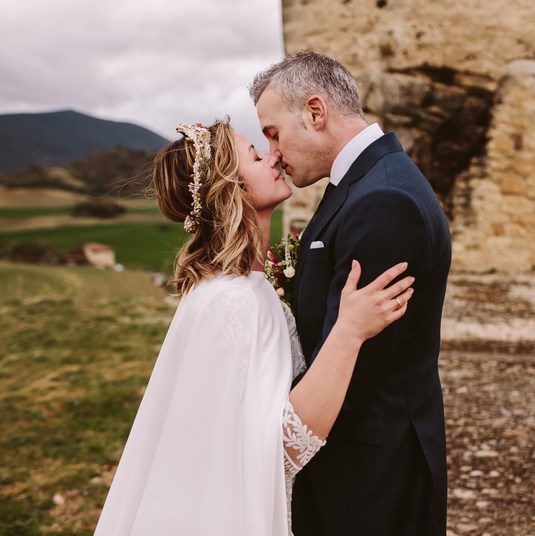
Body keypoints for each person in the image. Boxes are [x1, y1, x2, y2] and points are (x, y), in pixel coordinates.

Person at [93, 119, 415, 535]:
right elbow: (281, 447)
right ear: (234, 188)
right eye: (256, 155)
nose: (274, 155)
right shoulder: (234, 301)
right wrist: (349, 331)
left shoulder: (238, 287)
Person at [250, 51, 452, 536]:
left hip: (369, 480)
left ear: (315, 113)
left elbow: (360, 371)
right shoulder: (366, 182)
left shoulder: (383, 200)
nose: (273, 152)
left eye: (274, 132)